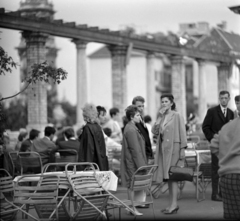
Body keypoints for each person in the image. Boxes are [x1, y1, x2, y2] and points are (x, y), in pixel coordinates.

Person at [151, 94, 187, 214]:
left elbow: (183, 132)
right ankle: (171, 204)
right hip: (164, 151)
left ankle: (174, 205)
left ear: (171, 103)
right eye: (162, 102)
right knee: (168, 178)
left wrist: (182, 149)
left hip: (174, 149)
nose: (164, 104)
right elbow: (154, 131)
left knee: (173, 178)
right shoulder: (161, 116)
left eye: (166, 101)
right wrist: (159, 117)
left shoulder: (176, 115)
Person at [210, 99, 240, 219]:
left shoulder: (228, 127)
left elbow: (214, 145)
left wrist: (226, 158)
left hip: (229, 176)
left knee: (232, 216)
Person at [202, 90, 234, 201]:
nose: (224, 100)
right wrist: (212, 139)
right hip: (216, 146)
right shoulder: (212, 111)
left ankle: (222, 193)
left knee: (225, 170)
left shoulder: (231, 113)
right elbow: (205, 127)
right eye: (222, 98)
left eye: (226, 98)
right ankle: (214, 194)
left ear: (229, 99)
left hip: (228, 147)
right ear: (219, 99)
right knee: (215, 170)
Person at [120, 105, 148, 216]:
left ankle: (132, 207)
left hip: (132, 161)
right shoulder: (131, 129)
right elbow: (135, 150)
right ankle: (131, 207)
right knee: (132, 185)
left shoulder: (131, 127)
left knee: (132, 185)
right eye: (137, 115)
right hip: (132, 162)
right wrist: (142, 166)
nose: (139, 117)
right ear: (132, 117)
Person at [78, 103, 109, 171]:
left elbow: (89, 148)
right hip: (100, 161)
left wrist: (88, 164)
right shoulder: (98, 127)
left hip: (91, 164)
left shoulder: (87, 128)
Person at [132, 96, 154, 165]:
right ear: (133, 106)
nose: (141, 108)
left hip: (146, 151)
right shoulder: (133, 120)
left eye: (142, 106)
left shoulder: (141, 117)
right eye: (139, 106)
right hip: (141, 152)